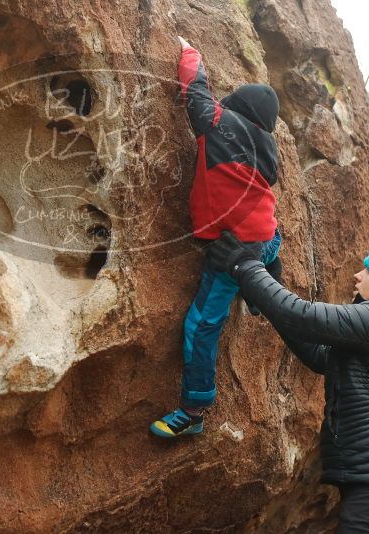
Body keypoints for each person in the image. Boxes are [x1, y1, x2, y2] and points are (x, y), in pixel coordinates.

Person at [205, 230, 369, 534]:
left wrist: (244, 266)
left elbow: (304, 317)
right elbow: (319, 354)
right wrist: (265, 292)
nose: (357, 275)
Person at [149, 36, 284, 439]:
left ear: (236, 108)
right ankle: (267, 272)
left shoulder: (221, 124)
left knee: (201, 325)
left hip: (232, 251)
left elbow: (197, 93)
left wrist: (189, 51)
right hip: (262, 232)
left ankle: (194, 410)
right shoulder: (266, 144)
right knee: (270, 238)